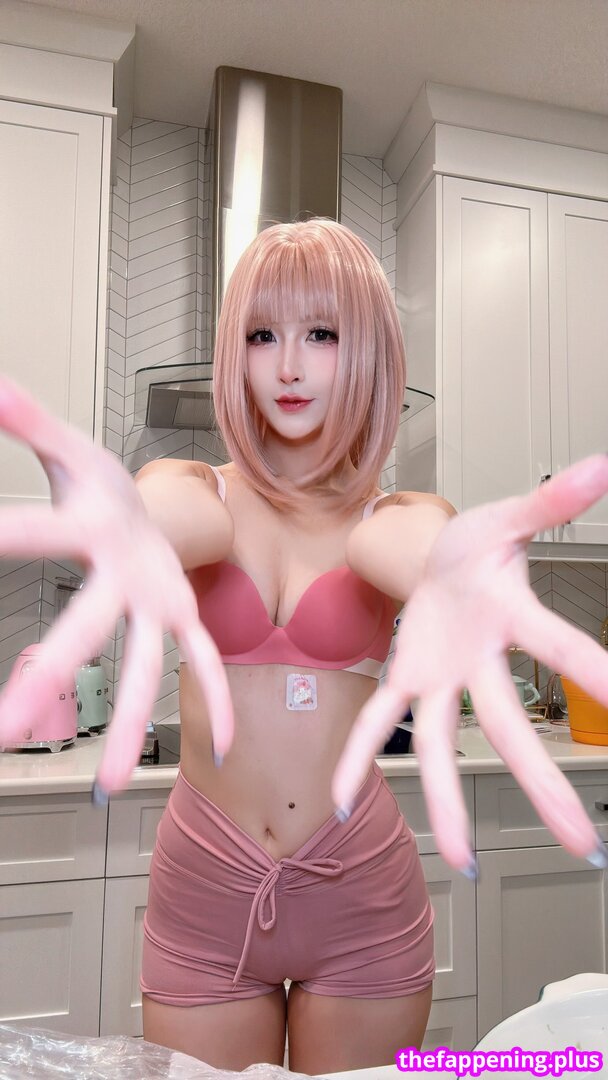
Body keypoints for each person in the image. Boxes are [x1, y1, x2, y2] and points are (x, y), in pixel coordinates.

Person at [1, 218, 608, 1073]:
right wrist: (127, 524)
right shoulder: (196, 486)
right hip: (206, 890)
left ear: (368, 352)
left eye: (321, 333)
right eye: (262, 335)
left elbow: (415, 548)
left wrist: (456, 573)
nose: (288, 365)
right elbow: (167, 515)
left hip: (360, 890)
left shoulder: (395, 513)